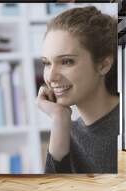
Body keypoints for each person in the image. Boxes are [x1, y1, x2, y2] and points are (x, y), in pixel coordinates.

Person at [37, 6, 119, 173]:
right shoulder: (67, 129)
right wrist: (59, 118)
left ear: (104, 64)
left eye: (66, 61)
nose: (51, 77)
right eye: (47, 63)